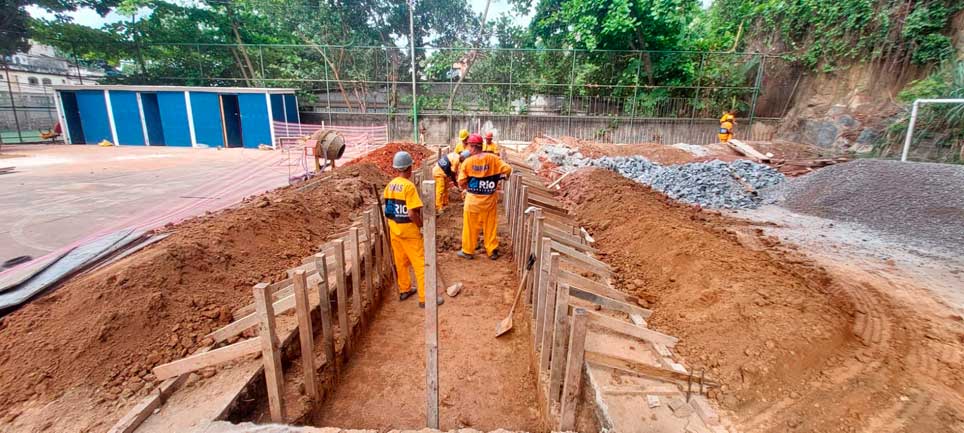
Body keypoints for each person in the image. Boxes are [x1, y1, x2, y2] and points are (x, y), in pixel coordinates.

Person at [383, 151, 443, 307]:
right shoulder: (409, 187)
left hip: (395, 230)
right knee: (421, 264)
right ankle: (425, 298)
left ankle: (404, 289)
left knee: (401, 262)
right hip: (409, 231)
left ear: (396, 168)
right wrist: (421, 225)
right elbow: (411, 212)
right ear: (409, 168)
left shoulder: (390, 185)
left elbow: (388, 211)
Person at [457, 133, 512, 260]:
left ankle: (468, 251)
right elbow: (508, 170)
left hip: (472, 201)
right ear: (481, 145)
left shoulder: (467, 162)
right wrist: (502, 177)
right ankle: (492, 250)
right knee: (490, 226)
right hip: (489, 201)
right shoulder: (493, 159)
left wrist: (468, 189)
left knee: (470, 227)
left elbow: (461, 182)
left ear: (471, 147)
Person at [432, 149, 471, 214]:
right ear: (463, 158)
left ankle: (444, 204)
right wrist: (456, 184)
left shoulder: (455, 155)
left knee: (445, 189)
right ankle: (438, 207)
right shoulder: (456, 160)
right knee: (440, 190)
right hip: (439, 173)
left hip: (444, 172)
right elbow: (453, 174)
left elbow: (453, 172)